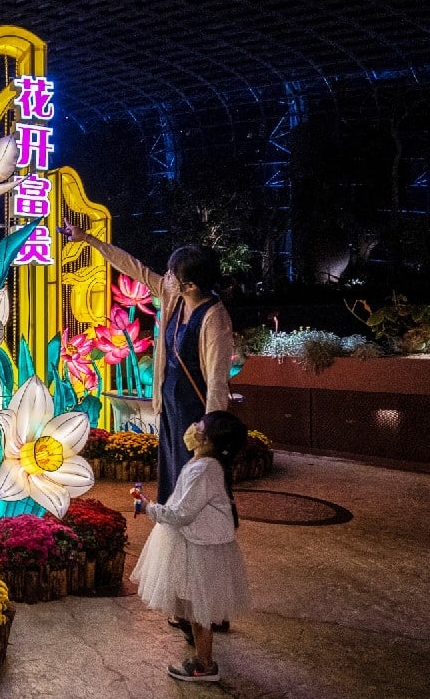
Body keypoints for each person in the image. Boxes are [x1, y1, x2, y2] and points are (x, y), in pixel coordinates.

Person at [61, 224, 233, 504]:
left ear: (190, 285)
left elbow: (216, 380)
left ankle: (191, 536)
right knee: (173, 470)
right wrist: (88, 239)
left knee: (194, 475)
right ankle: (172, 531)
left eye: (171, 274)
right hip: (170, 402)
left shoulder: (214, 318)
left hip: (196, 408)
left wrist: (209, 430)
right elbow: (133, 267)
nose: (166, 277)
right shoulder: (174, 296)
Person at [129, 411, 251, 682]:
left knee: (199, 608)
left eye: (200, 425)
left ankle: (204, 665)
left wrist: (148, 507)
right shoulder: (208, 464)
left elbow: (182, 513)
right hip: (201, 542)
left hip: (200, 547)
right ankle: (200, 654)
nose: (194, 427)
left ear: (209, 439)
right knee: (196, 605)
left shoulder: (204, 468)